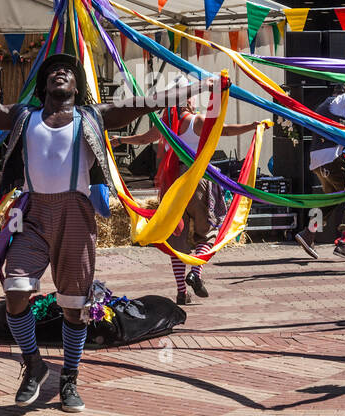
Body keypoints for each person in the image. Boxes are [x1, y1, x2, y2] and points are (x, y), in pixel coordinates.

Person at [0, 53, 202, 413]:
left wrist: (203, 88)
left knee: (75, 308)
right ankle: (33, 363)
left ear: (77, 87)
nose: (59, 73)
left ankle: (69, 378)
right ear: (43, 85)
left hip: (76, 214)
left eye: (66, 71)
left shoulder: (92, 116)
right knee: (16, 291)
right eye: (52, 71)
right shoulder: (24, 116)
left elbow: (144, 102)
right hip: (32, 213)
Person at [113, 96, 264, 303]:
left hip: (174, 183)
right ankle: (196, 272)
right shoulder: (197, 121)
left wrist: (120, 140)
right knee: (208, 232)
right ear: (188, 102)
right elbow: (225, 130)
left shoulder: (166, 123)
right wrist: (253, 126)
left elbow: (142, 140)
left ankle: (181, 292)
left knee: (177, 239)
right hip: (198, 179)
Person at [293, 89, 345, 260]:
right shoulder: (338, 102)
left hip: (318, 161)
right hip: (331, 159)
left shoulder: (332, 106)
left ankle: (309, 233)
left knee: (332, 198)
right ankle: (344, 243)